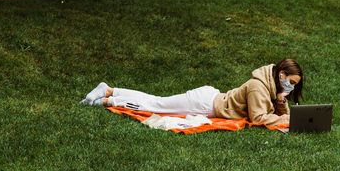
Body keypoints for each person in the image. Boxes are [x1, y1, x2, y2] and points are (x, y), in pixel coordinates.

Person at [80, 59, 303, 126]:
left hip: (209, 101)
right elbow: (258, 117)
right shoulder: (258, 86)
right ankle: (109, 99)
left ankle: (109, 91)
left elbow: (270, 111)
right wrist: (284, 118)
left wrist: (282, 104)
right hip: (204, 103)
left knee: (156, 101)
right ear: (281, 74)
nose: (291, 87)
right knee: (155, 105)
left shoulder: (269, 87)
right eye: (290, 82)